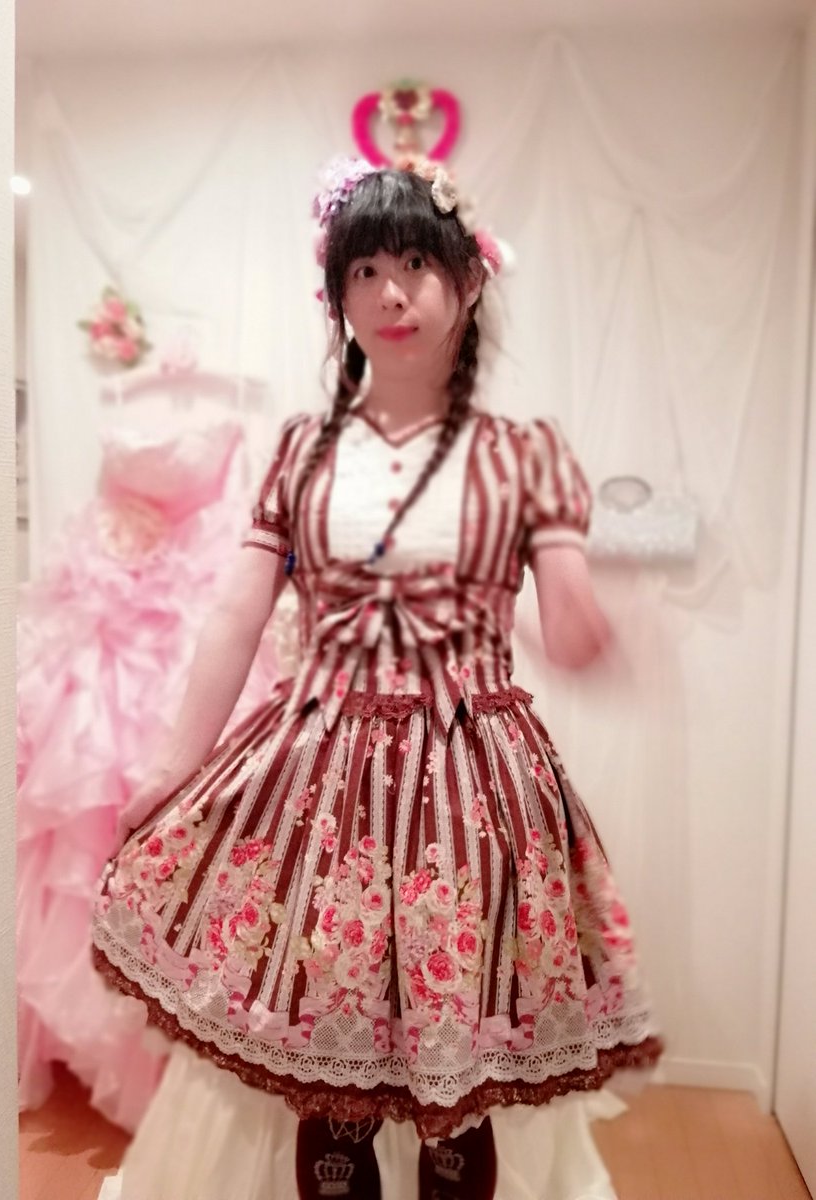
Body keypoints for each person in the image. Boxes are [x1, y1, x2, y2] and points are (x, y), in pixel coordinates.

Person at [91, 157, 664, 1200]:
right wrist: (175, 765)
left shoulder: (526, 456)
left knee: (460, 1052)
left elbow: (568, 618)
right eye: (363, 271)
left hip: (473, 784)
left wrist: (597, 627)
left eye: (413, 263)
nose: (390, 293)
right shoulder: (302, 452)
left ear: (468, 282)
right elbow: (235, 615)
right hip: (319, 779)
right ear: (339, 298)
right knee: (323, 1042)